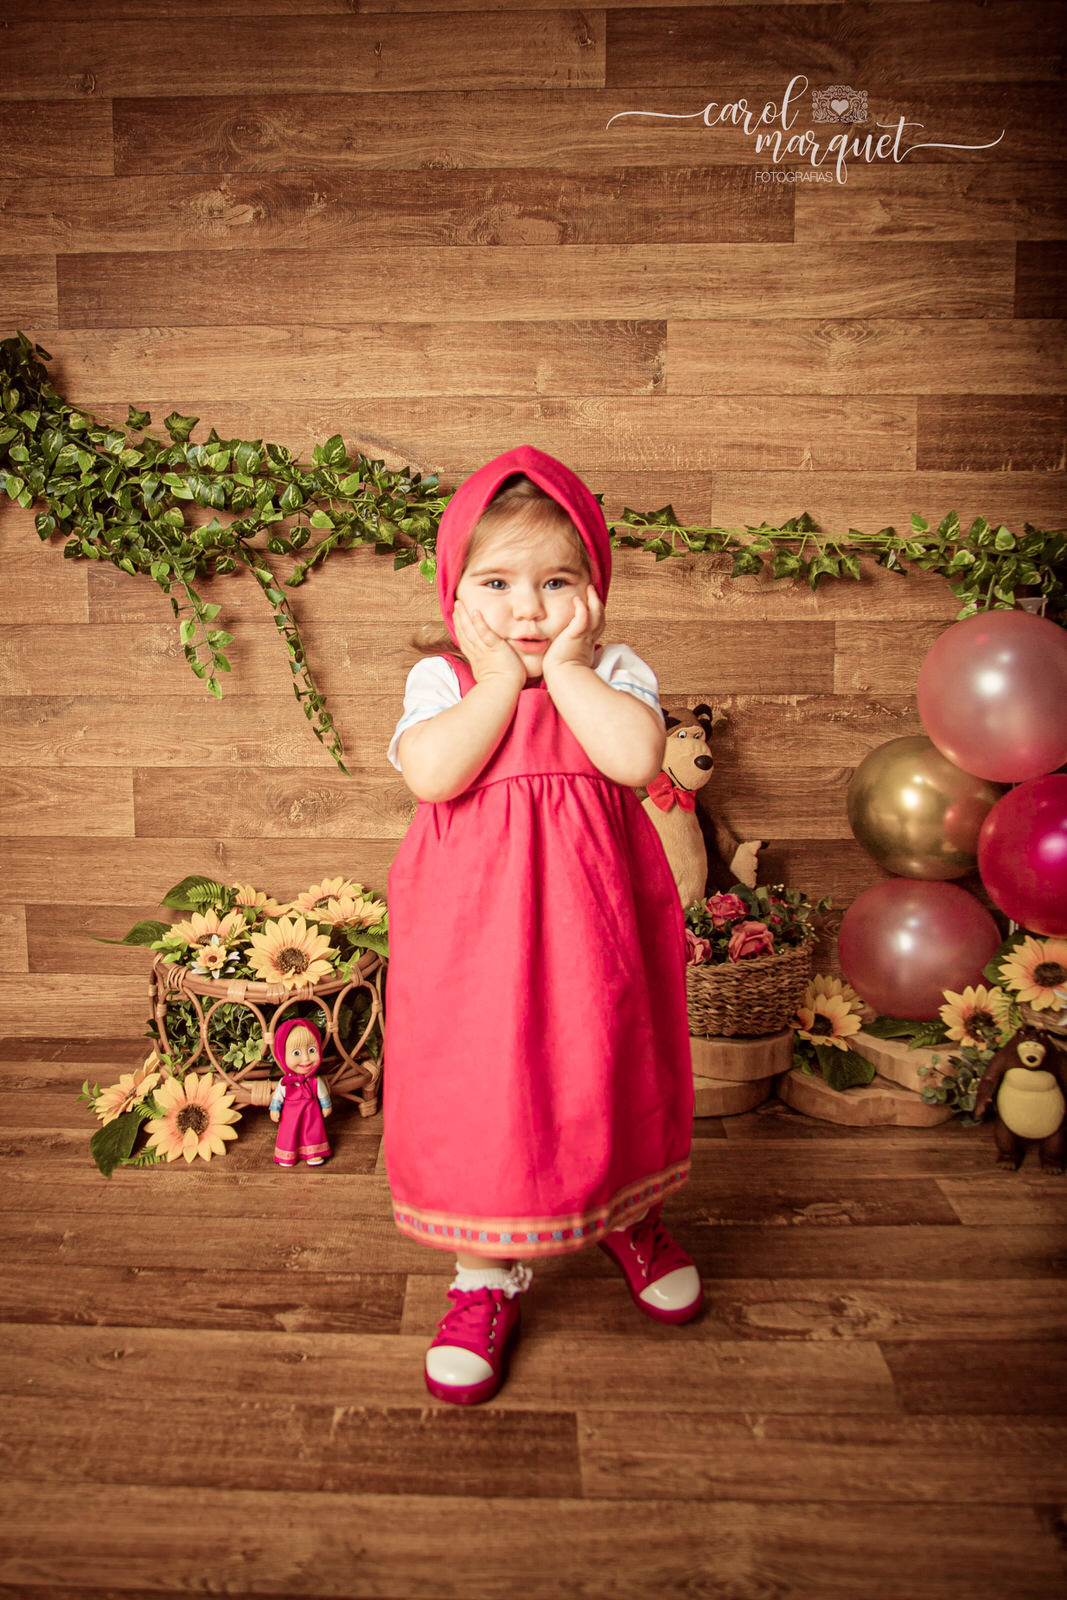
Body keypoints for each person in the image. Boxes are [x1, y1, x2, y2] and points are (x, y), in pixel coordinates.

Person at [383, 445, 700, 1406]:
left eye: (556, 582)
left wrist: (565, 671)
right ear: (455, 599)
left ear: (594, 593)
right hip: (472, 946)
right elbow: (434, 775)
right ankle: (483, 1276)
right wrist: (493, 684)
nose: (526, 610)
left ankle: (626, 1214)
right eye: (497, 583)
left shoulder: (610, 674)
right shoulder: (444, 684)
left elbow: (634, 756)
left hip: (593, 936)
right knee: (490, 1094)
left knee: (607, 1065)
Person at [269, 1018, 332, 1167]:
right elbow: (278, 1096)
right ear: (282, 1055)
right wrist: (275, 1109)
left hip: (312, 1113)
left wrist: (326, 1106)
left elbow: (322, 1094)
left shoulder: (316, 1081)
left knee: (313, 1132)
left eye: (312, 1050)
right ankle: (287, 1154)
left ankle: (314, 1153)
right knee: (289, 1133)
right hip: (290, 1115)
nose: (306, 1058)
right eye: (296, 1053)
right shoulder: (285, 1082)